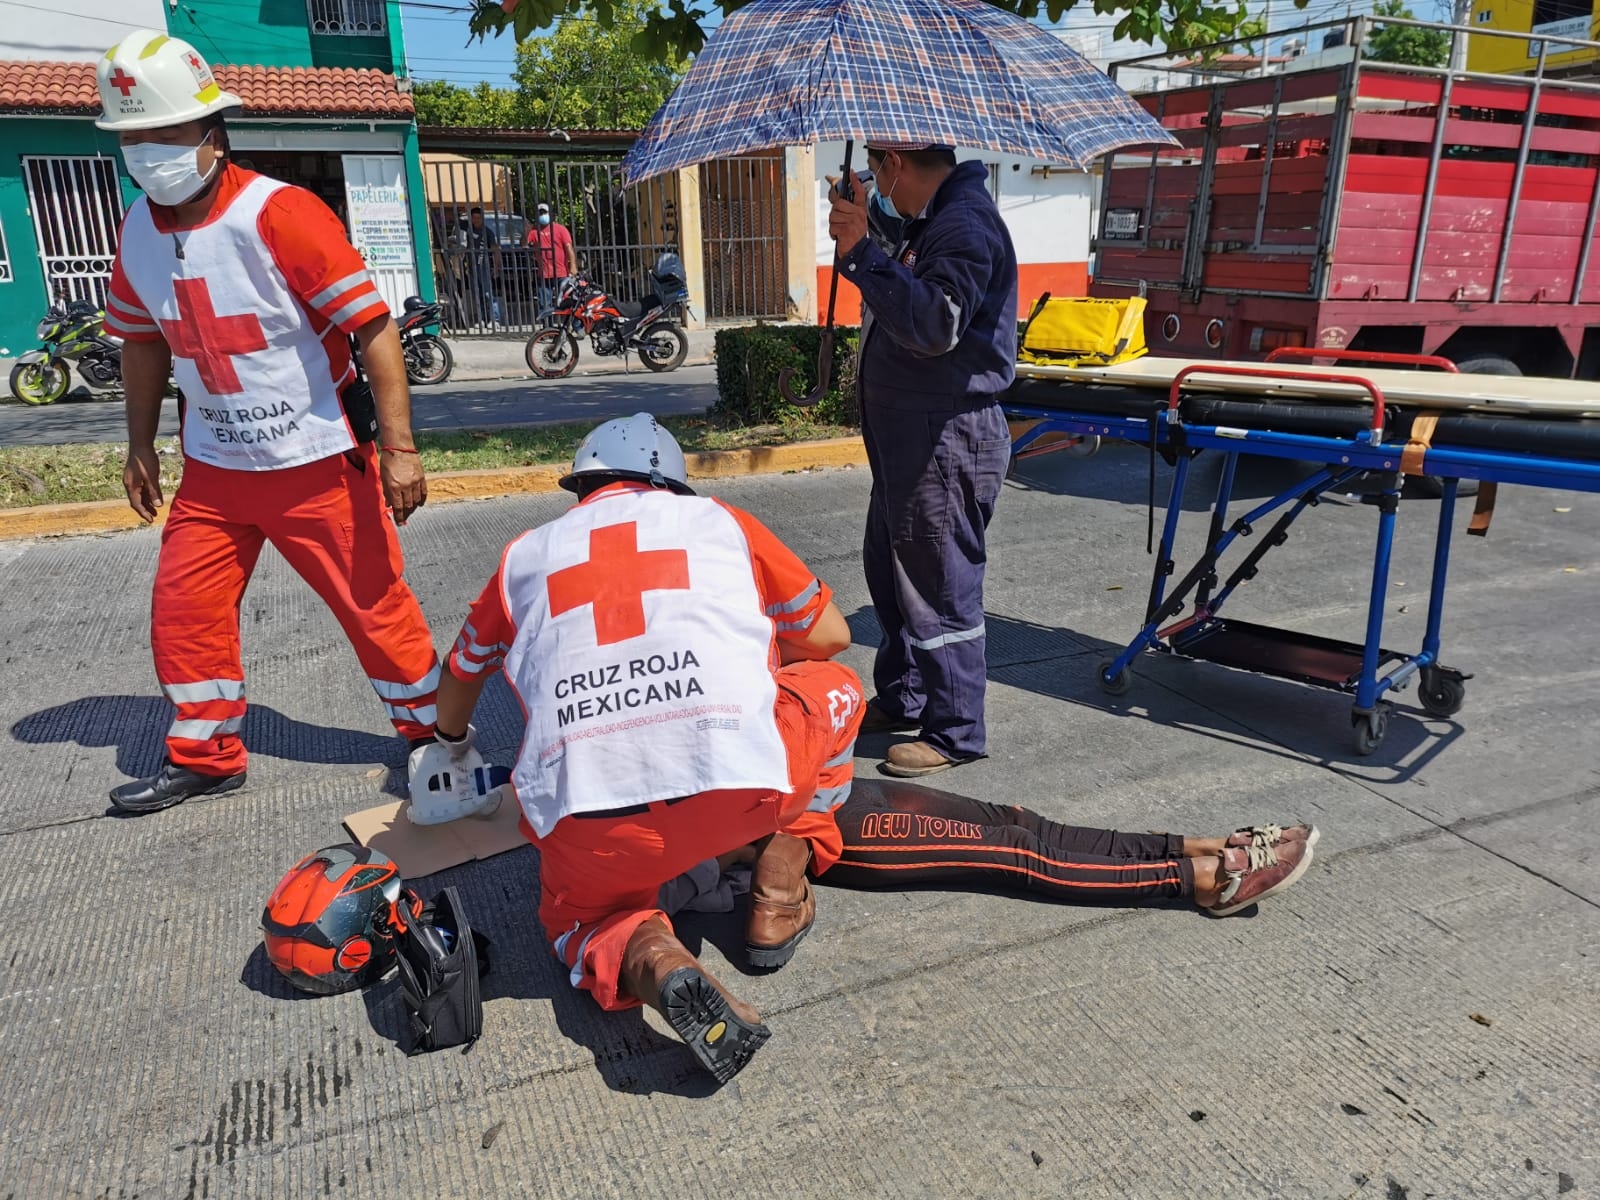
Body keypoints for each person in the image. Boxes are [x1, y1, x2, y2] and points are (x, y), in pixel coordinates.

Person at [431, 412, 866, 1083]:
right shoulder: (721, 521)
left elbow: (461, 675)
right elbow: (830, 637)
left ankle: (655, 956)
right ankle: (786, 861)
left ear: (583, 487)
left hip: (594, 826)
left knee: (585, 922)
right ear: (670, 484)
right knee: (834, 688)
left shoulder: (525, 554)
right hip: (742, 790)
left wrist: (449, 745)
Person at [95, 31, 439, 814]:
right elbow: (143, 340)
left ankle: (433, 742)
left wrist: (400, 448)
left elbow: (373, 328)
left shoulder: (280, 214)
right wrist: (140, 444)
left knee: (375, 606)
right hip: (216, 471)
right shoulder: (136, 232)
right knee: (185, 612)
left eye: (164, 133)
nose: (147, 152)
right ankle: (206, 753)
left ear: (212, 135)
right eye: (131, 138)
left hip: (316, 459)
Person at [827, 143, 1018, 779]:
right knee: (892, 575)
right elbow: (908, 264)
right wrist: (869, 226)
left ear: (896, 165)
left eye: (878, 175)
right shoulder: (935, 221)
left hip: (944, 439)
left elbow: (936, 322)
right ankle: (907, 695)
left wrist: (859, 251)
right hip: (909, 441)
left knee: (939, 588)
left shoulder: (964, 224)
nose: (881, 188)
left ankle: (956, 728)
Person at [664, 778, 1319, 919]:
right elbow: (680, 879)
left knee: (1021, 820)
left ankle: (1203, 844)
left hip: (834, 782)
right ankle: (1206, 882)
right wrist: (735, 871)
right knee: (1014, 852)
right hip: (823, 832)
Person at [526, 201, 576, 315]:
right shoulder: (534, 231)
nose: (543, 215)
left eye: (544, 212)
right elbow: (524, 244)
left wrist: (573, 265)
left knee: (568, 300)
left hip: (561, 272)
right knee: (544, 303)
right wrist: (527, 230)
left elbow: (569, 248)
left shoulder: (560, 229)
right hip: (544, 274)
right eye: (540, 213)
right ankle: (547, 327)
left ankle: (574, 327)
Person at [464, 206, 502, 328]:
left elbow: (495, 250)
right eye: (474, 218)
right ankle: (482, 319)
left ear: (482, 218)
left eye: (478, 218)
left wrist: (496, 268)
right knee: (477, 295)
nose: (476, 220)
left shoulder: (488, 232)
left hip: (484, 267)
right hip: (472, 268)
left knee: (488, 294)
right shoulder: (468, 231)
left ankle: (495, 319)